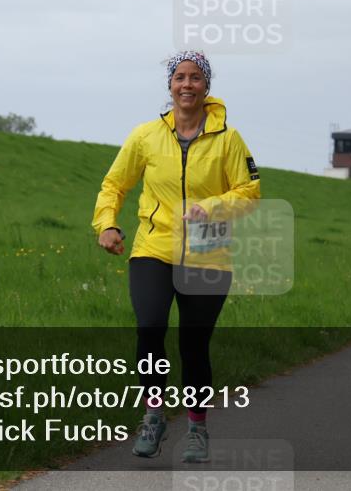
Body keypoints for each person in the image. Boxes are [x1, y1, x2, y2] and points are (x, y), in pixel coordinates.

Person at [93, 51, 260, 463]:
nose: (187, 84)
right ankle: (153, 415)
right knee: (150, 328)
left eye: (196, 77)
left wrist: (212, 207)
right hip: (153, 248)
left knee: (193, 344)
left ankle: (197, 429)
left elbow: (249, 193)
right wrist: (107, 224)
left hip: (208, 253)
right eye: (180, 77)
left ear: (207, 86)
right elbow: (114, 184)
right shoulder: (146, 136)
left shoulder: (229, 140)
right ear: (170, 85)